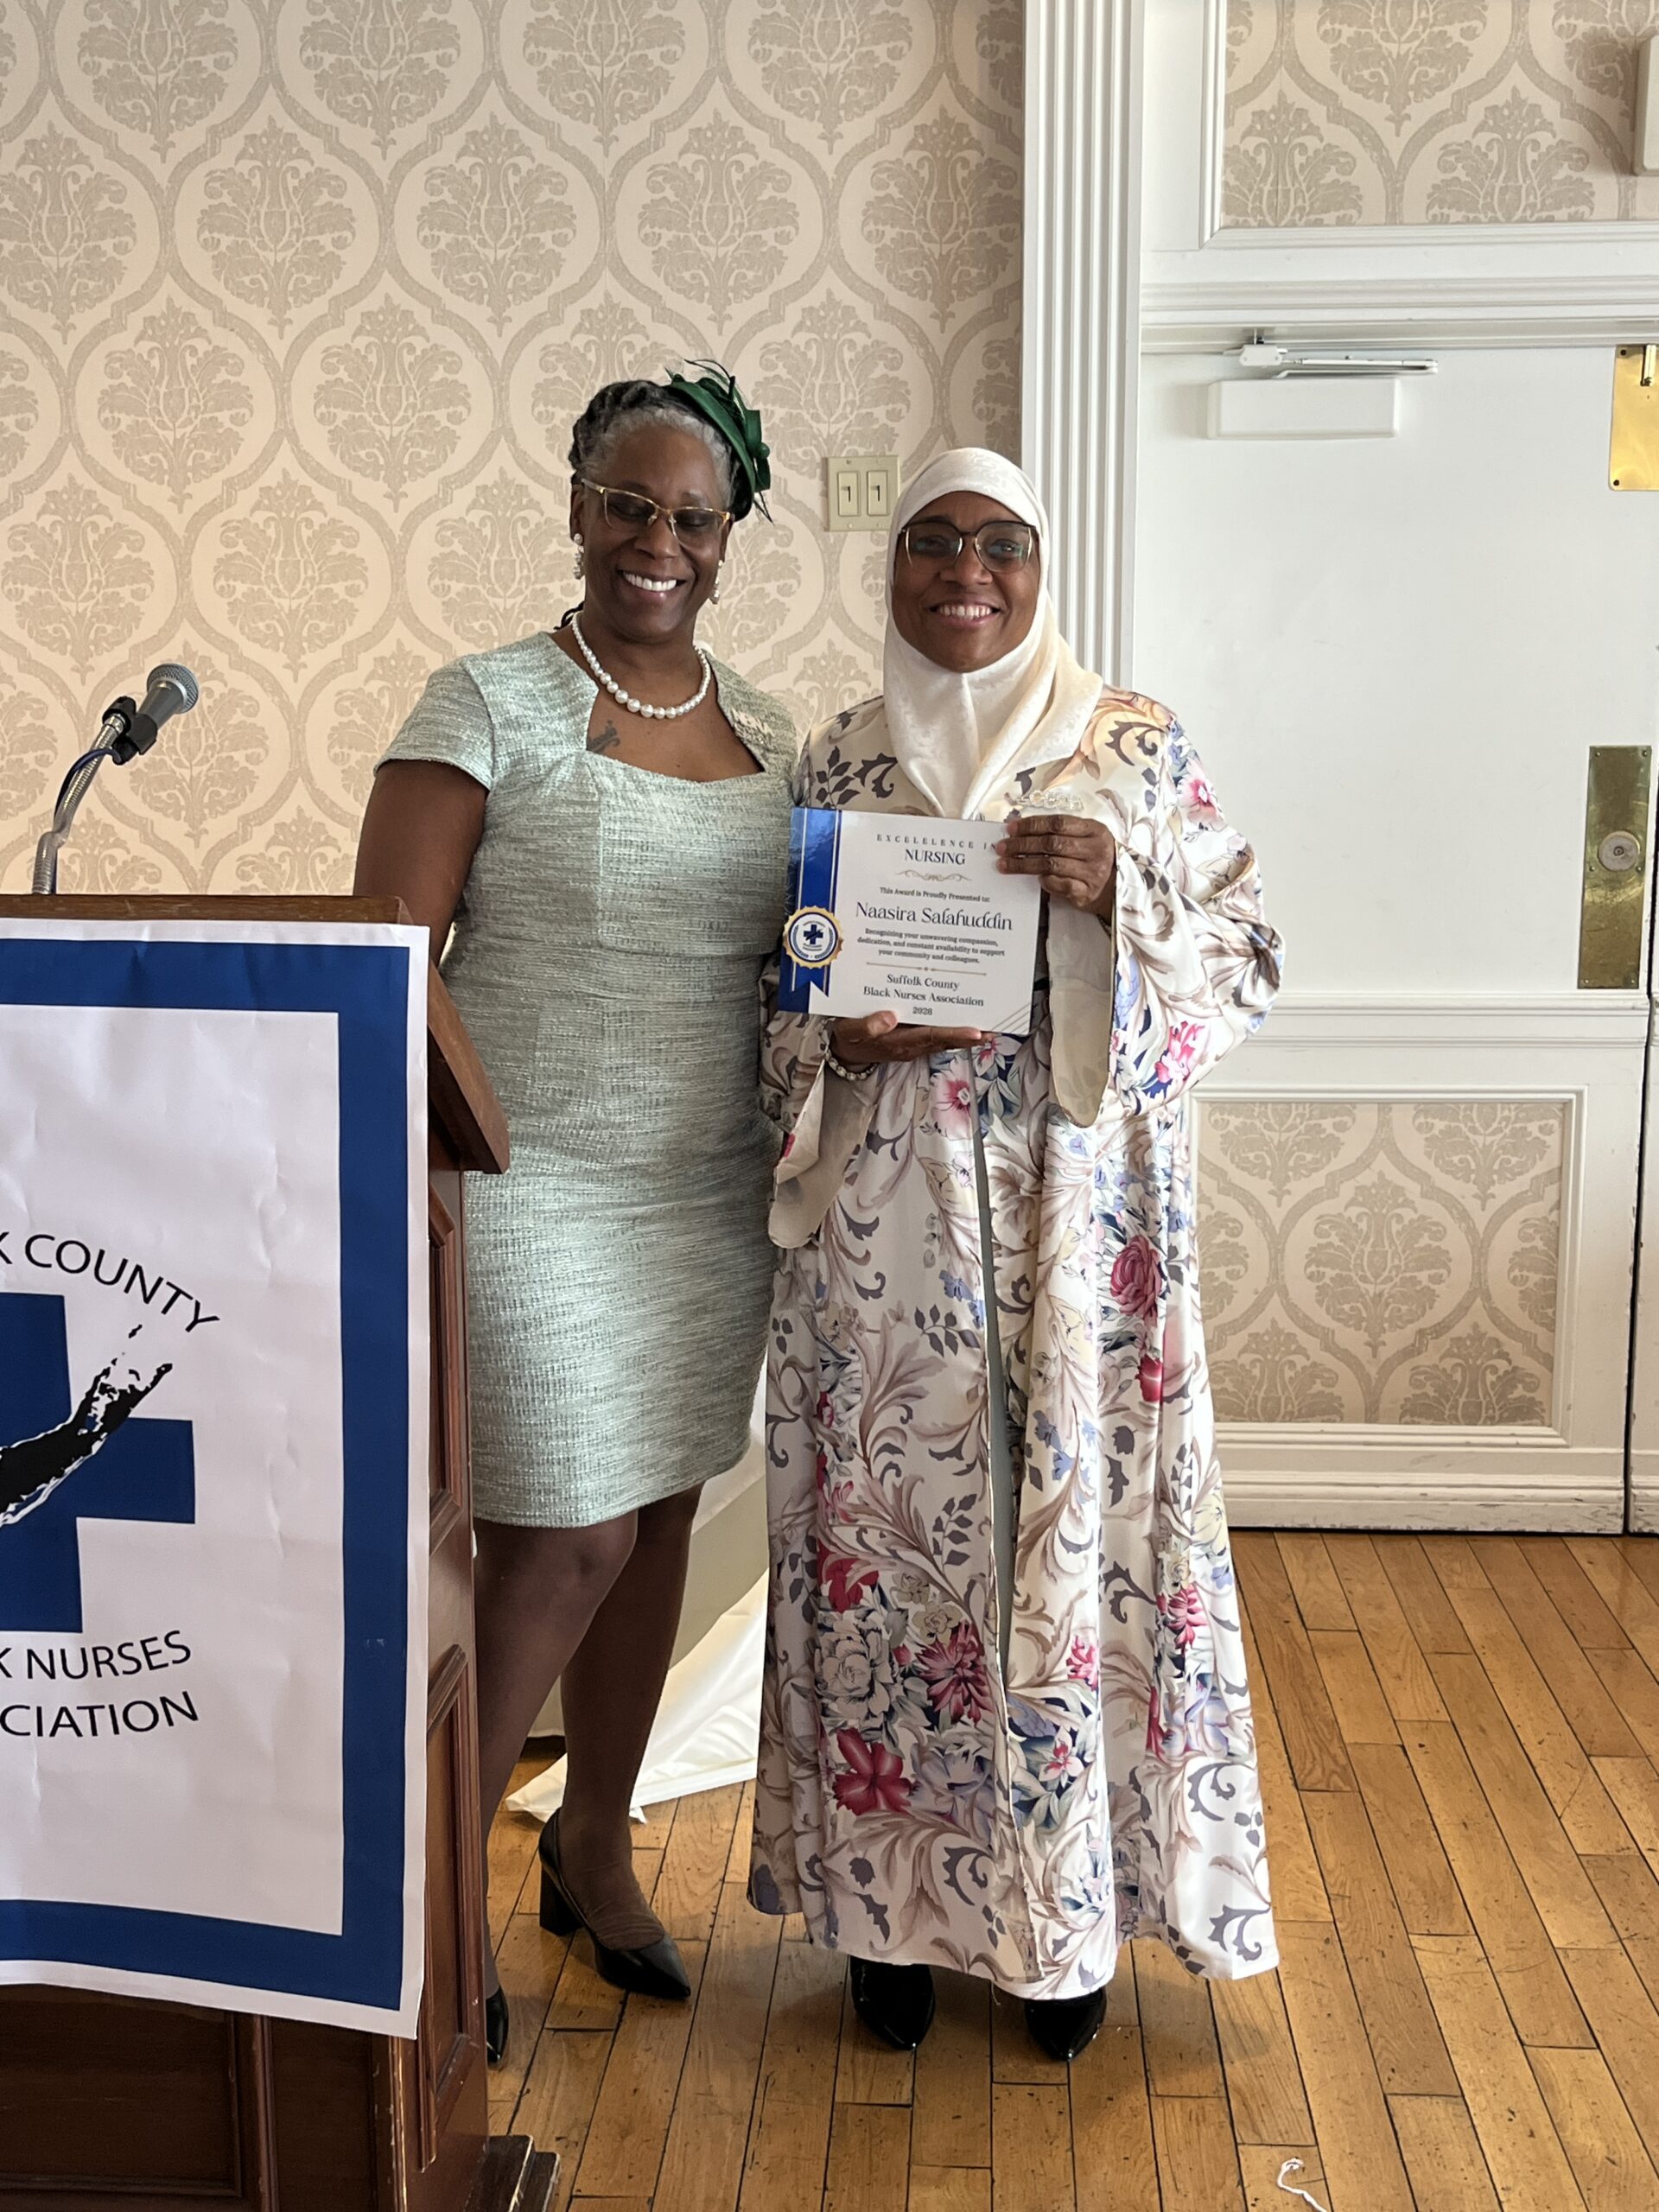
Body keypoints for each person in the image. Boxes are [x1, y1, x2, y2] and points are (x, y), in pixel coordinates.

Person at [748, 448, 1282, 2063]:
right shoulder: (840, 758)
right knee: (887, 1557)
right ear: (892, 564)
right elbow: (781, 989)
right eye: (932, 541)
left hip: (1080, 1235)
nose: (963, 572)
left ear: (1042, 570)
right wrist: (837, 1041)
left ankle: (1066, 1929)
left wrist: (1122, 892)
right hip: (886, 1240)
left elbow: (1248, 963)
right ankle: (886, 1925)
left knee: (1077, 1555)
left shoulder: (1131, 744)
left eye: (1000, 545)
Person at [354, 367, 795, 2064]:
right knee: (564, 1536)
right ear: (576, 508)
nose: (656, 541)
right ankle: (423, 1895)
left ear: (730, 537)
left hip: (706, 1190)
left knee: (662, 1515)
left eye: (692, 516)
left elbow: (809, 957)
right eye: (627, 504)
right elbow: (388, 957)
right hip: (524, 1179)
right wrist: (453, 1157)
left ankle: (592, 1843)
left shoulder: (775, 731)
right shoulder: (487, 702)